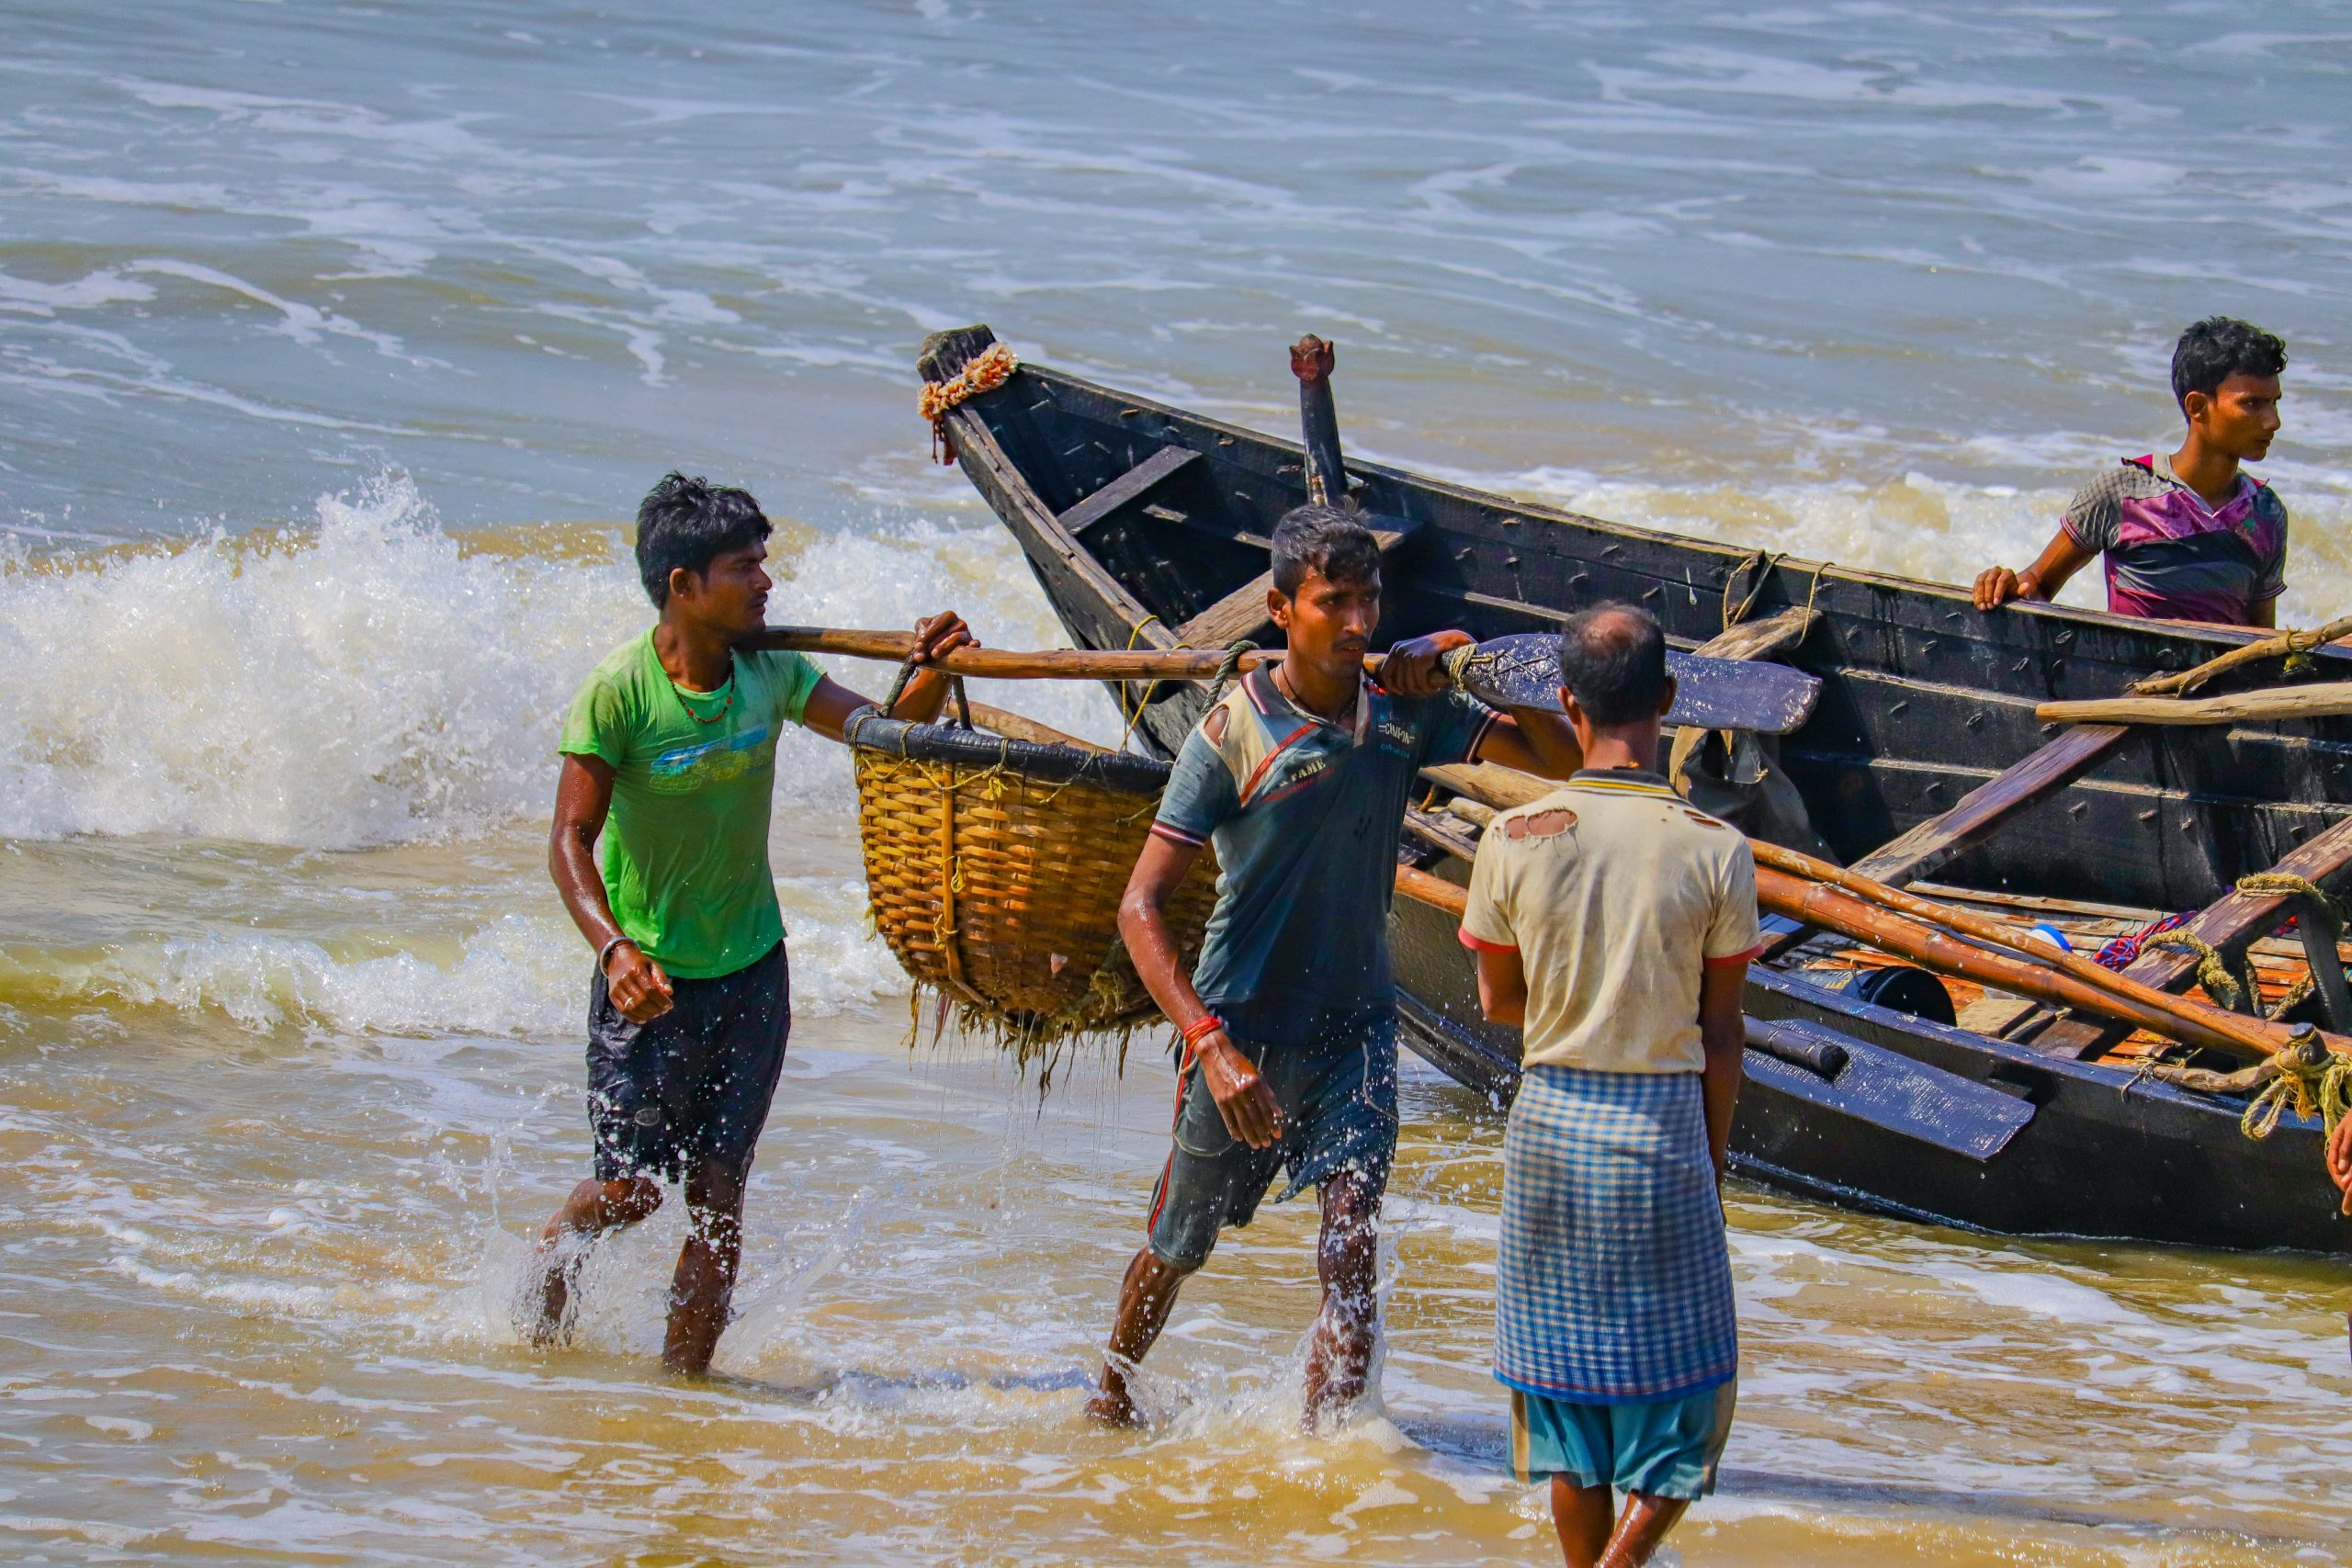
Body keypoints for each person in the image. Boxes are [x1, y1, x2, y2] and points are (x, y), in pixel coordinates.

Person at [1086, 502, 1584, 1429]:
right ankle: (1109, 1394)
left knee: (1351, 1236)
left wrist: (1467, 655)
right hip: (1242, 1024)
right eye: (1332, 602)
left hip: (1356, 1020)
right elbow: (1138, 906)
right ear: (1281, 608)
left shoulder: (1404, 711)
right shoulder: (1230, 733)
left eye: (1370, 599)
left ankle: (1335, 1451)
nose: (1357, 623)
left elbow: (1558, 761)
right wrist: (1211, 1046)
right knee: (1179, 1241)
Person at [519, 472, 976, 1376]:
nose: (766, 584)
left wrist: (932, 668)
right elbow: (569, 839)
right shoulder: (618, 693)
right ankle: (537, 1325)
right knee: (628, 1194)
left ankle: (682, 1392)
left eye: (765, 563)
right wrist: (613, 950)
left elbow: (882, 733)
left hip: (752, 973)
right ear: (683, 586)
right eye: (743, 568)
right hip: (646, 984)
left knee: (719, 1200)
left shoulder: (773, 669)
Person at [1459, 603, 1759, 1568]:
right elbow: (1721, 1033)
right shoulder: (1713, 848)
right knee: (1689, 1399)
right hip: (1663, 1131)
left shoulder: (1515, 836)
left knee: (1566, 1403)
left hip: (1549, 1126)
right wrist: (1710, 1163)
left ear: (1564, 703)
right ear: (1667, 701)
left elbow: (1499, 999)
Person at [1973, 317, 2288, 626]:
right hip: (2133, 677)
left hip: (2219, 678)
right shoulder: (2124, 493)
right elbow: (2037, 585)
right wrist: (2003, 584)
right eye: (2252, 404)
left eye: (2274, 403)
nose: (2272, 422)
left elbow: (2258, 640)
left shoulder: (2265, 513)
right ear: (2197, 407)